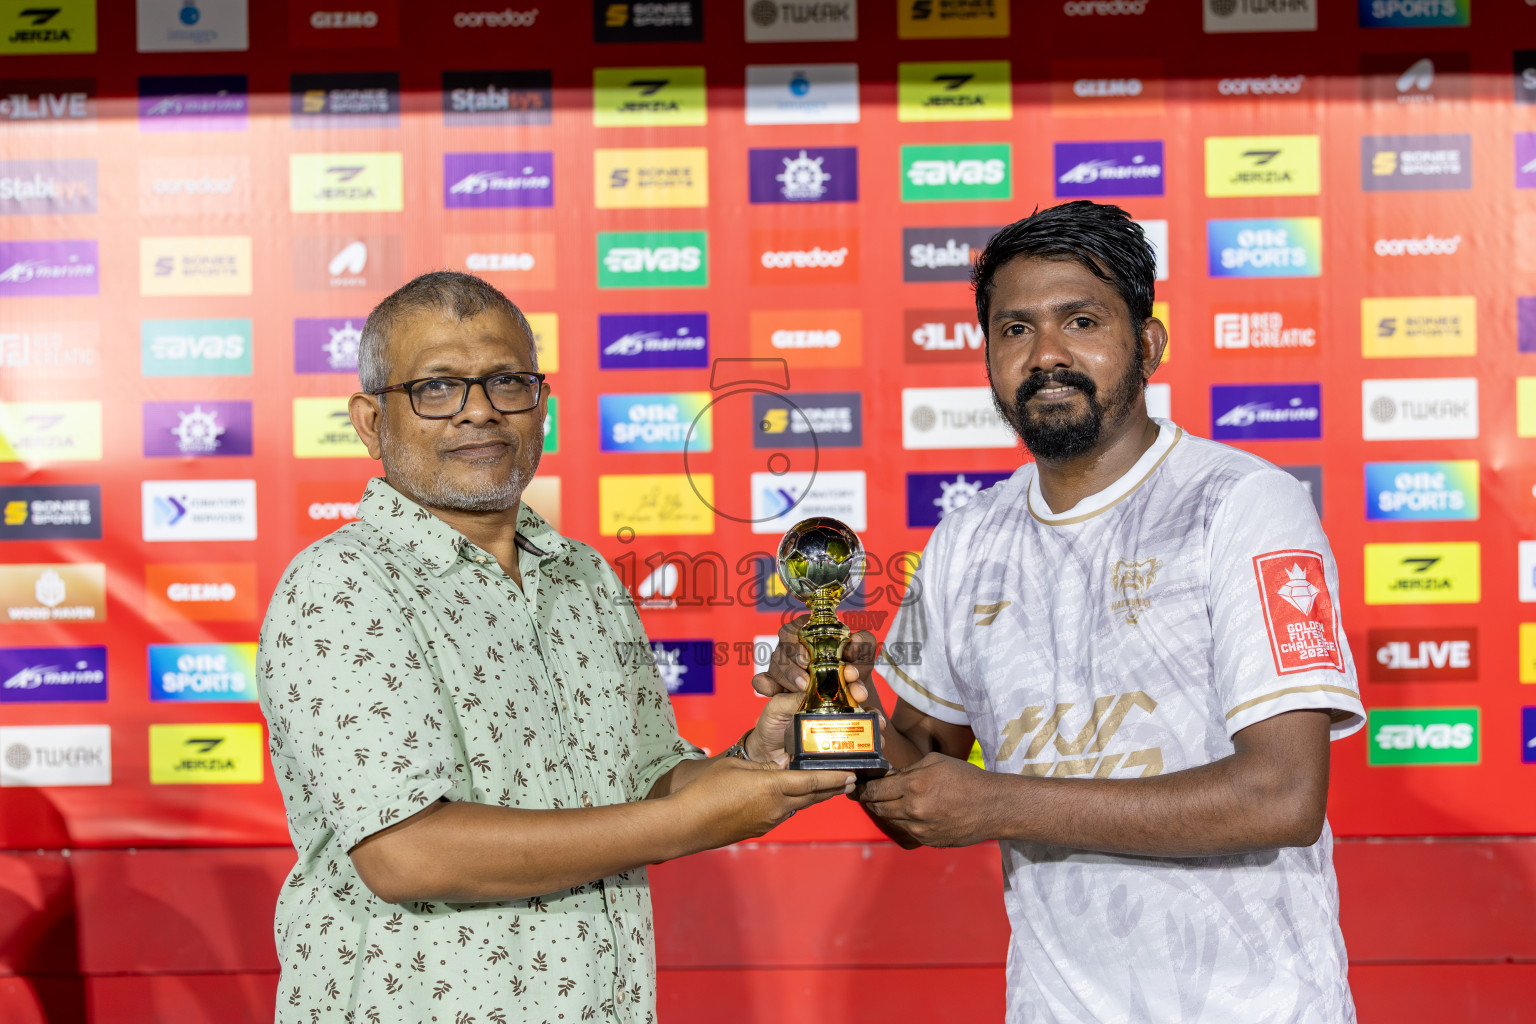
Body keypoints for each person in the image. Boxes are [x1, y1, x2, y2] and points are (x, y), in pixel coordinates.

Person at [754, 201, 1363, 1023]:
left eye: (1080, 320)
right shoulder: (967, 539)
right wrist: (837, 703)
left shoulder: (1242, 504)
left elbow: (1283, 797)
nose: (1047, 356)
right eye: (1014, 330)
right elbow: (918, 790)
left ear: (1146, 344)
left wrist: (1000, 803)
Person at [257, 271, 849, 1024]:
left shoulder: (583, 576)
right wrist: (701, 821)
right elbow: (407, 854)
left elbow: (646, 781)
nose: (479, 411)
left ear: (540, 406)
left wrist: (757, 756)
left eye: (507, 381)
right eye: (437, 388)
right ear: (372, 422)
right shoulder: (341, 584)